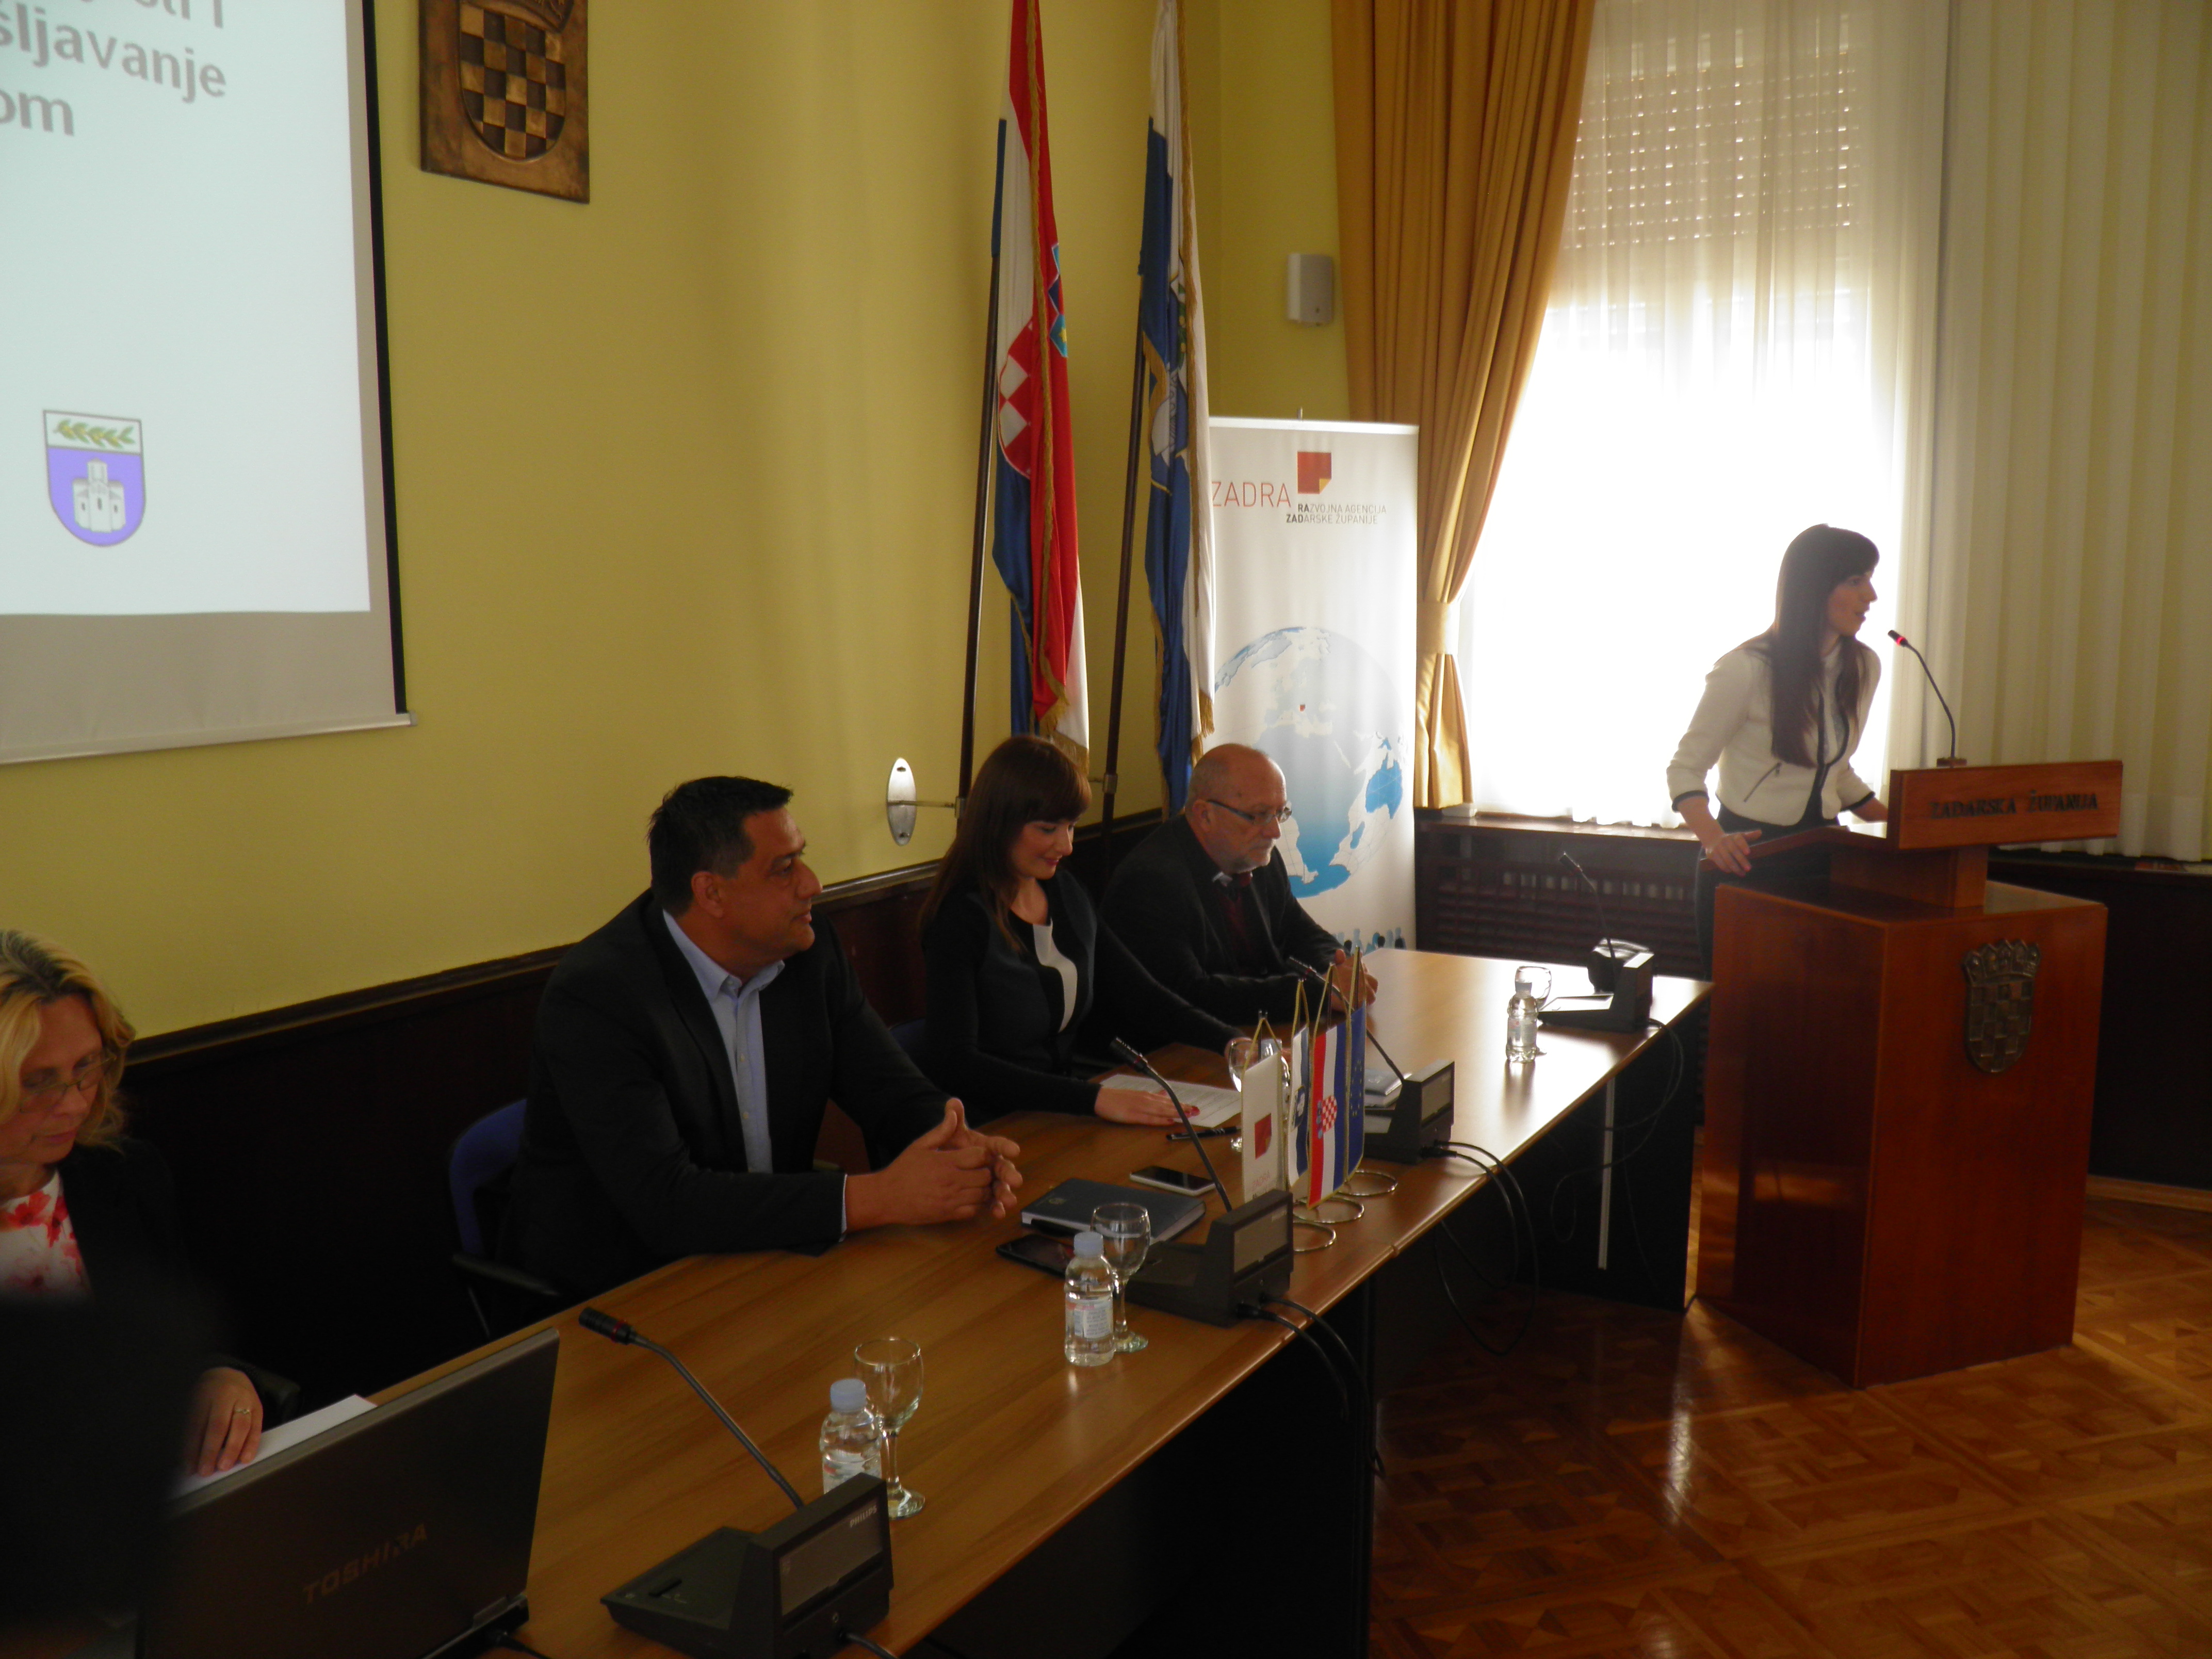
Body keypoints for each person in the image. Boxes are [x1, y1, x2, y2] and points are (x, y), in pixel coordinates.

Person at [503, 776, 1023, 1298]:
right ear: (711, 892)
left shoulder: (807, 951)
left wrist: (957, 1142)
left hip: (770, 1258)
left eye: (802, 858)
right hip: (627, 1290)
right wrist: (878, 1197)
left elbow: (889, 1090)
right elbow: (667, 1204)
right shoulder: (599, 996)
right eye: (784, 868)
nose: (812, 884)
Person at [0, 930, 272, 1476]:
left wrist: (219, 1377)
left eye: (86, 1067)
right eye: (38, 1083)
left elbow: (173, 1350)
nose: (75, 1105)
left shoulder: (122, 1175)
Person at [920, 737, 1239, 1125]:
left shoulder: (1066, 893)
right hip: (992, 1122)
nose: (1067, 846)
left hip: (1065, 1108)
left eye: (1071, 827)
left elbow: (1142, 994)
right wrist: (1094, 1099)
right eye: (1048, 829)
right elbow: (956, 1063)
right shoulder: (959, 918)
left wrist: (1230, 1042)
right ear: (998, 824)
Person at [1666, 523, 1893, 967]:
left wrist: (1903, 829)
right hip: (1747, 862)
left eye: (1869, 579)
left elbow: (1836, 772)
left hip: (1825, 862)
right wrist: (1714, 841)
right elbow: (1685, 769)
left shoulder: (1864, 666)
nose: (1871, 596)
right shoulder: (1745, 669)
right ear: (1814, 587)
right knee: (1743, 1002)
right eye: (1856, 580)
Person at [1100, 743, 1376, 1027]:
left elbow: (1298, 930)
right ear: (1205, 815)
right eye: (1258, 815)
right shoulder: (1149, 882)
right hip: (1183, 1045)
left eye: (1280, 813)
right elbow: (1191, 995)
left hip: (1259, 1032)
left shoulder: (1257, 855)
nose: (1275, 831)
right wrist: (1316, 993)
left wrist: (1338, 967)